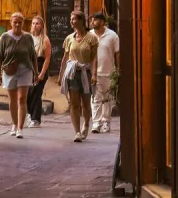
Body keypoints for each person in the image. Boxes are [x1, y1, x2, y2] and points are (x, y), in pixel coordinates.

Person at [59, 10, 101, 142]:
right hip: (72, 73)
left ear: (81, 21)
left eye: (73, 19)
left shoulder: (91, 38)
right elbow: (65, 58)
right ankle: (77, 132)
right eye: (71, 19)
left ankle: (86, 124)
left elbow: (94, 58)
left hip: (86, 72)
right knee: (74, 103)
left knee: (86, 103)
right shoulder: (69, 38)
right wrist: (61, 75)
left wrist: (94, 74)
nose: (71, 21)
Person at [0, 12, 37, 139]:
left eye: (20, 22)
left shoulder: (28, 37)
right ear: (11, 23)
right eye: (15, 22)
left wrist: (36, 72)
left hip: (25, 70)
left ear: (23, 23)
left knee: (21, 98)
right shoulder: (5, 37)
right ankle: (13, 124)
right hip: (9, 71)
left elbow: (33, 56)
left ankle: (20, 128)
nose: (17, 24)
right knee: (12, 99)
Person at [89, 11, 119, 134]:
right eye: (91, 20)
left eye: (95, 20)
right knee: (95, 98)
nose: (92, 22)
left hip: (109, 72)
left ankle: (106, 121)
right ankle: (96, 123)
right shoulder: (89, 35)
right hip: (93, 72)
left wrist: (117, 70)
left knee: (107, 99)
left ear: (102, 22)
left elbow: (117, 53)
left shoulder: (112, 36)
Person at [25, 15, 52, 128]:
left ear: (41, 26)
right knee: (28, 93)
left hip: (40, 67)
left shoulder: (45, 39)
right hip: (29, 68)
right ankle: (29, 115)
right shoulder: (28, 38)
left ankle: (36, 119)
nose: (35, 25)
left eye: (37, 23)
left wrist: (42, 74)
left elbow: (47, 58)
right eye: (33, 23)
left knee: (36, 93)